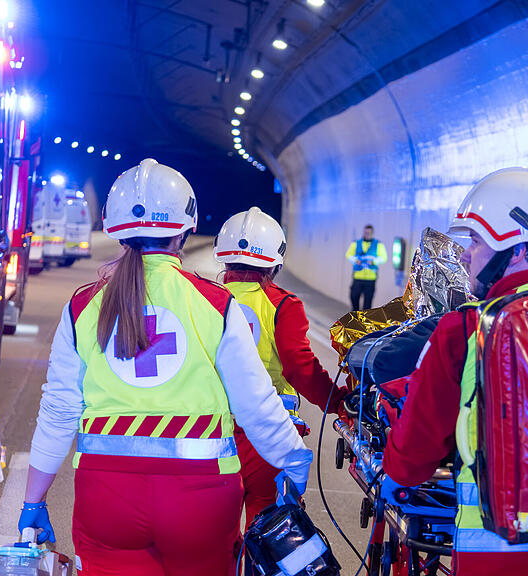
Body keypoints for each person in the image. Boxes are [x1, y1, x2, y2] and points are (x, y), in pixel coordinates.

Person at [18, 159, 311, 576]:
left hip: (107, 499)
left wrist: (33, 501)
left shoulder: (83, 307)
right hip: (202, 502)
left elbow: (59, 412)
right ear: (187, 229)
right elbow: (257, 408)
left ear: (113, 228)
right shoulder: (215, 305)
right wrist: (295, 464)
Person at [382, 167, 528, 576]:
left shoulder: (464, 332)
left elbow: (409, 461)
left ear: (515, 249)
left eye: (474, 241)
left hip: (498, 562)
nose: (464, 254)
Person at [213, 206, 347, 526]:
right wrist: (338, 402)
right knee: (266, 527)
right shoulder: (283, 305)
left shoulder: (206, 297)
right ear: (276, 259)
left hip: (213, 429)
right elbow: (300, 368)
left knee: (217, 533)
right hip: (267, 433)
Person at [345, 224, 387, 310]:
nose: (366, 234)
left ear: (372, 233)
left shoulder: (378, 244)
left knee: (367, 303)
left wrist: (374, 262)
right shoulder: (356, 243)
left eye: (368, 232)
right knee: (354, 297)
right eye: (365, 232)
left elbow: (384, 257)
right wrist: (355, 260)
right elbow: (348, 255)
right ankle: (355, 315)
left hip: (370, 278)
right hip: (358, 277)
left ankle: (364, 321)